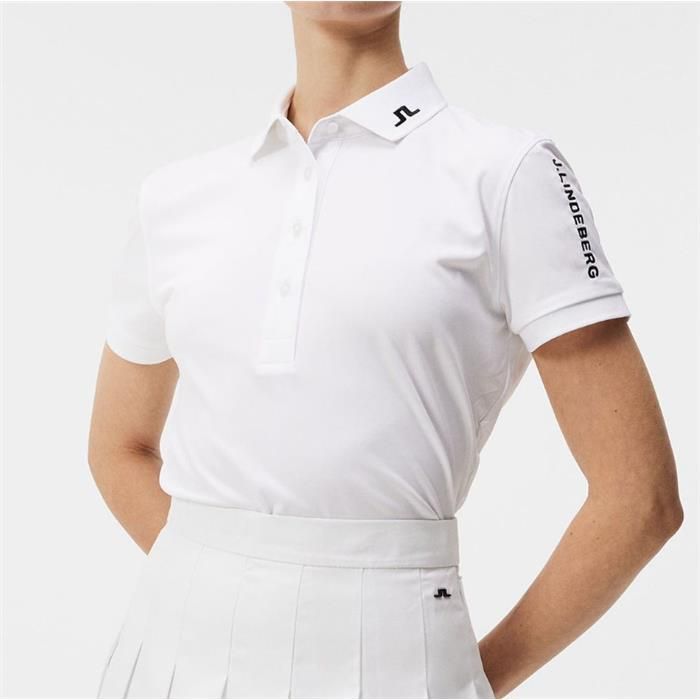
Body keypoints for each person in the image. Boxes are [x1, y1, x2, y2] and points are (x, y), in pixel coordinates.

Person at [87, 2, 684, 698]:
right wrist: (226, 587)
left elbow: (640, 499)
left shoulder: (508, 175)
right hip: (165, 659)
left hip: (399, 654)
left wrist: (468, 680)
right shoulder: (177, 197)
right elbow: (118, 447)